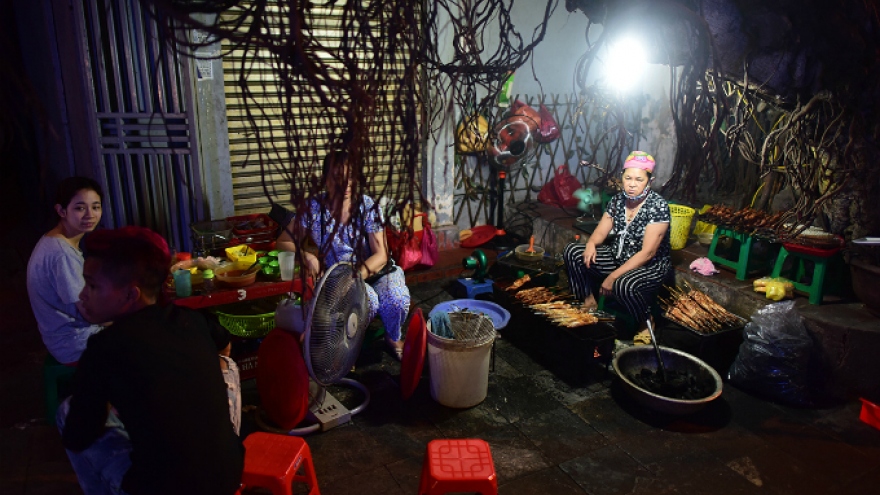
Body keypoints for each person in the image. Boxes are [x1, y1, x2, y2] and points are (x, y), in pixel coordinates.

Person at [57, 226, 244, 495]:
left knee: (66, 412)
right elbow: (224, 345)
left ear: (131, 295)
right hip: (228, 476)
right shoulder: (190, 319)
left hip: (163, 488)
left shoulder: (104, 348)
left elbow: (79, 435)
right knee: (227, 366)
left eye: (92, 285)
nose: (83, 294)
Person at [277, 150, 411, 359]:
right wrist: (307, 257)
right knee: (369, 303)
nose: (345, 183)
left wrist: (354, 276)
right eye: (337, 177)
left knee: (396, 299)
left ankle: (392, 337)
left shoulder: (367, 206)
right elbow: (284, 242)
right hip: (339, 276)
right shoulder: (313, 208)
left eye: (350, 176)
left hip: (376, 271)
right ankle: (348, 347)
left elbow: (381, 255)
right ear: (325, 180)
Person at [562, 151, 672, 343]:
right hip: (618, 256)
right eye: (628, 178)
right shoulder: (617, 201)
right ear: (621, 177)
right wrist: (590, 244)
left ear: (649, 181)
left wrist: (612, 276)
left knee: (623, 284)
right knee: (573, 251)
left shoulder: (658, 206)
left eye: (638, 179)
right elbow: (600, 232)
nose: (631, 183)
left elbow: (648, 253)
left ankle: (646, 322)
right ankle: (588, 301)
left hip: (648, 266)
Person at [27, 177, 106, 364]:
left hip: (65, 337)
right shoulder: (61, 254)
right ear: (61, 211)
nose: (90, 215)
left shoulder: (56, 240)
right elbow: (88, 312)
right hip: (75, 343)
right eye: (80, 208)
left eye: (96, 207)